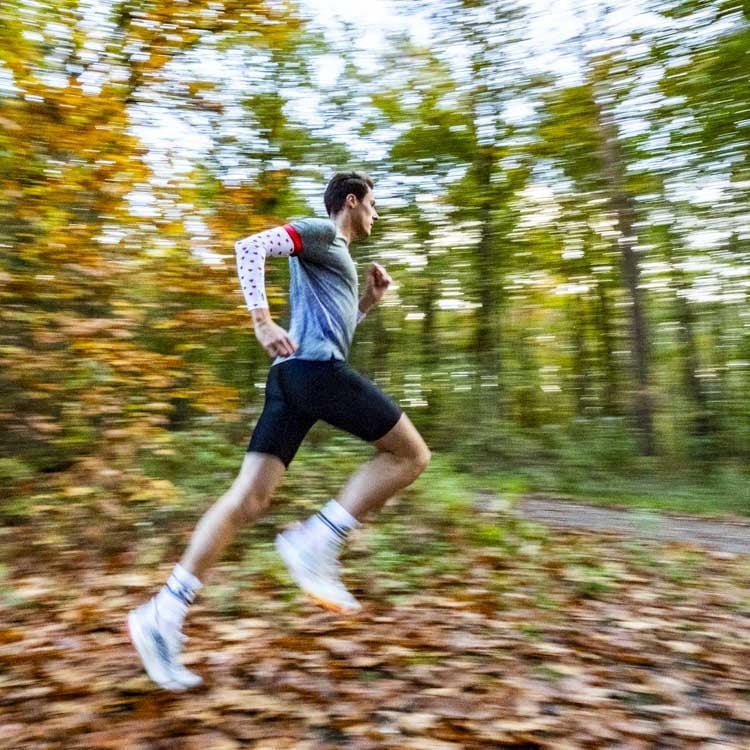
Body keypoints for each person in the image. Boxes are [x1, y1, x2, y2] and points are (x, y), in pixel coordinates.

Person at [127, 171, 431, 691]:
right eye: (373, 205)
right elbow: (249, 247)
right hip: (313, 374)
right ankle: (318, 540)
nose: (376, 215)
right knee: (410, 456)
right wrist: (262, 320)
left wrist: (367, 303)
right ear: (351, 202)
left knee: (247, 499)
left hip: (293, 377)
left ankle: (163, 611)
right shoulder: (321, 232)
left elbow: (331, 333)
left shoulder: (339, 258)